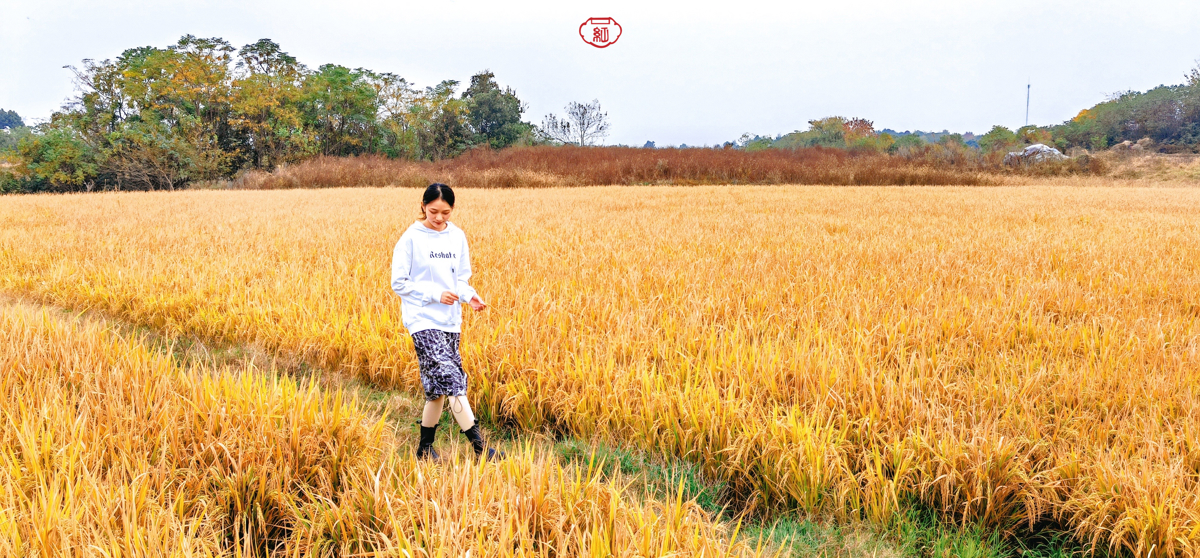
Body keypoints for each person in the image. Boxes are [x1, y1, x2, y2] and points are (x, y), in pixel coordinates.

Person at [391, 183, 503, 461]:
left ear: (452, 210)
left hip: (450, 321)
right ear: (422, 206)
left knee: (436, 390)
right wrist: (434, 295)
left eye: (445, 212)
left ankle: (425, 449)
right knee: (452, 381)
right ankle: (481, 449)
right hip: (421, 319)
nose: (439, 218)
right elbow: (399, 283)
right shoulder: (410, 239)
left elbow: (460, 280)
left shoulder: (457, 237)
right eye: (433, 211)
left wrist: (470, 297)